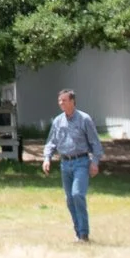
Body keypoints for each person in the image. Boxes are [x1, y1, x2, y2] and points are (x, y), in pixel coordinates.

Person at [39, 88, 104, 242]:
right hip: (65, 164)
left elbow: (96, 143)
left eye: (64, 100)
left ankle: (84, 233)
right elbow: (51, 142)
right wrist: (47, 158)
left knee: (77, 195)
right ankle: (78, 232)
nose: (61, 103)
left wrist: (94, 163)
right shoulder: (58, 121)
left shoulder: (84, 119)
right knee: (69, 199)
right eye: (59, 100)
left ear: (72, 101)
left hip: (81, 162)